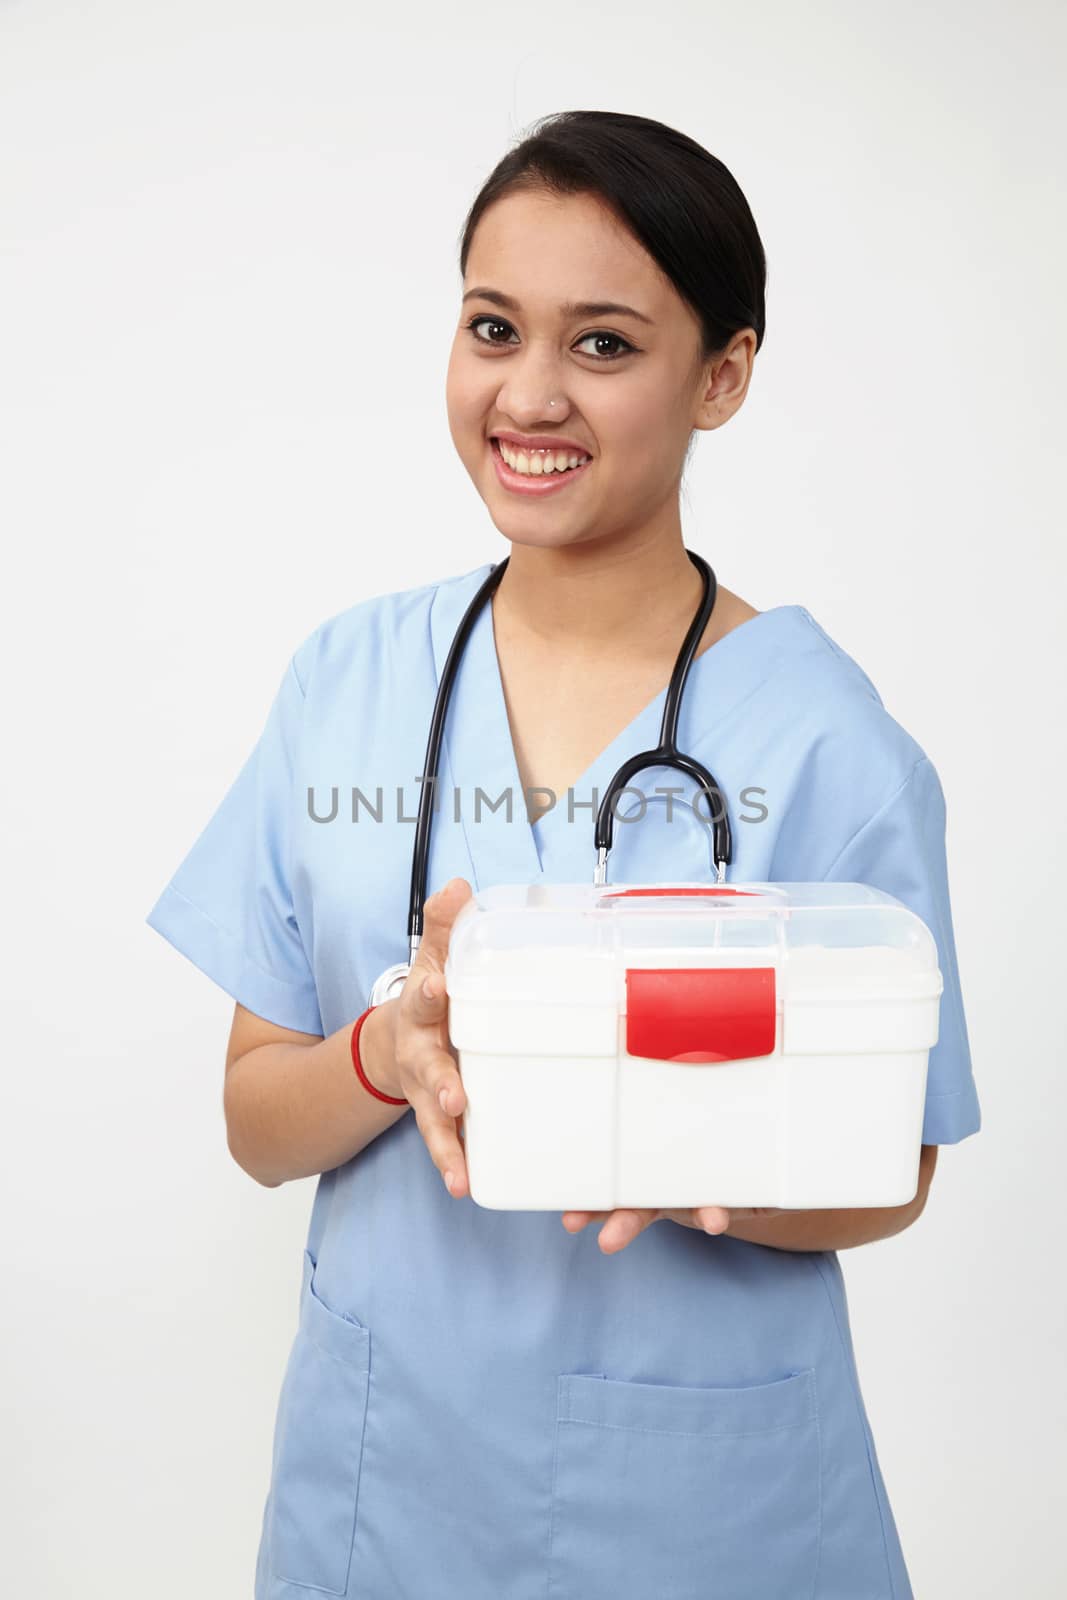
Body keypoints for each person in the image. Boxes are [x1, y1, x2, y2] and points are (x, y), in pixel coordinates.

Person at [145, 109, 981, 1599]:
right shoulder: (349, 682)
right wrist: (388, 1053)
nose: (528, 393)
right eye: (492, 327)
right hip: (382, 1491)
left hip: (700, 1516)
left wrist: (699, 1153)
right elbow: (253, 1123)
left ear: (721, 375)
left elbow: (898, 1168)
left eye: (603, 343)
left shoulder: (825, 740)